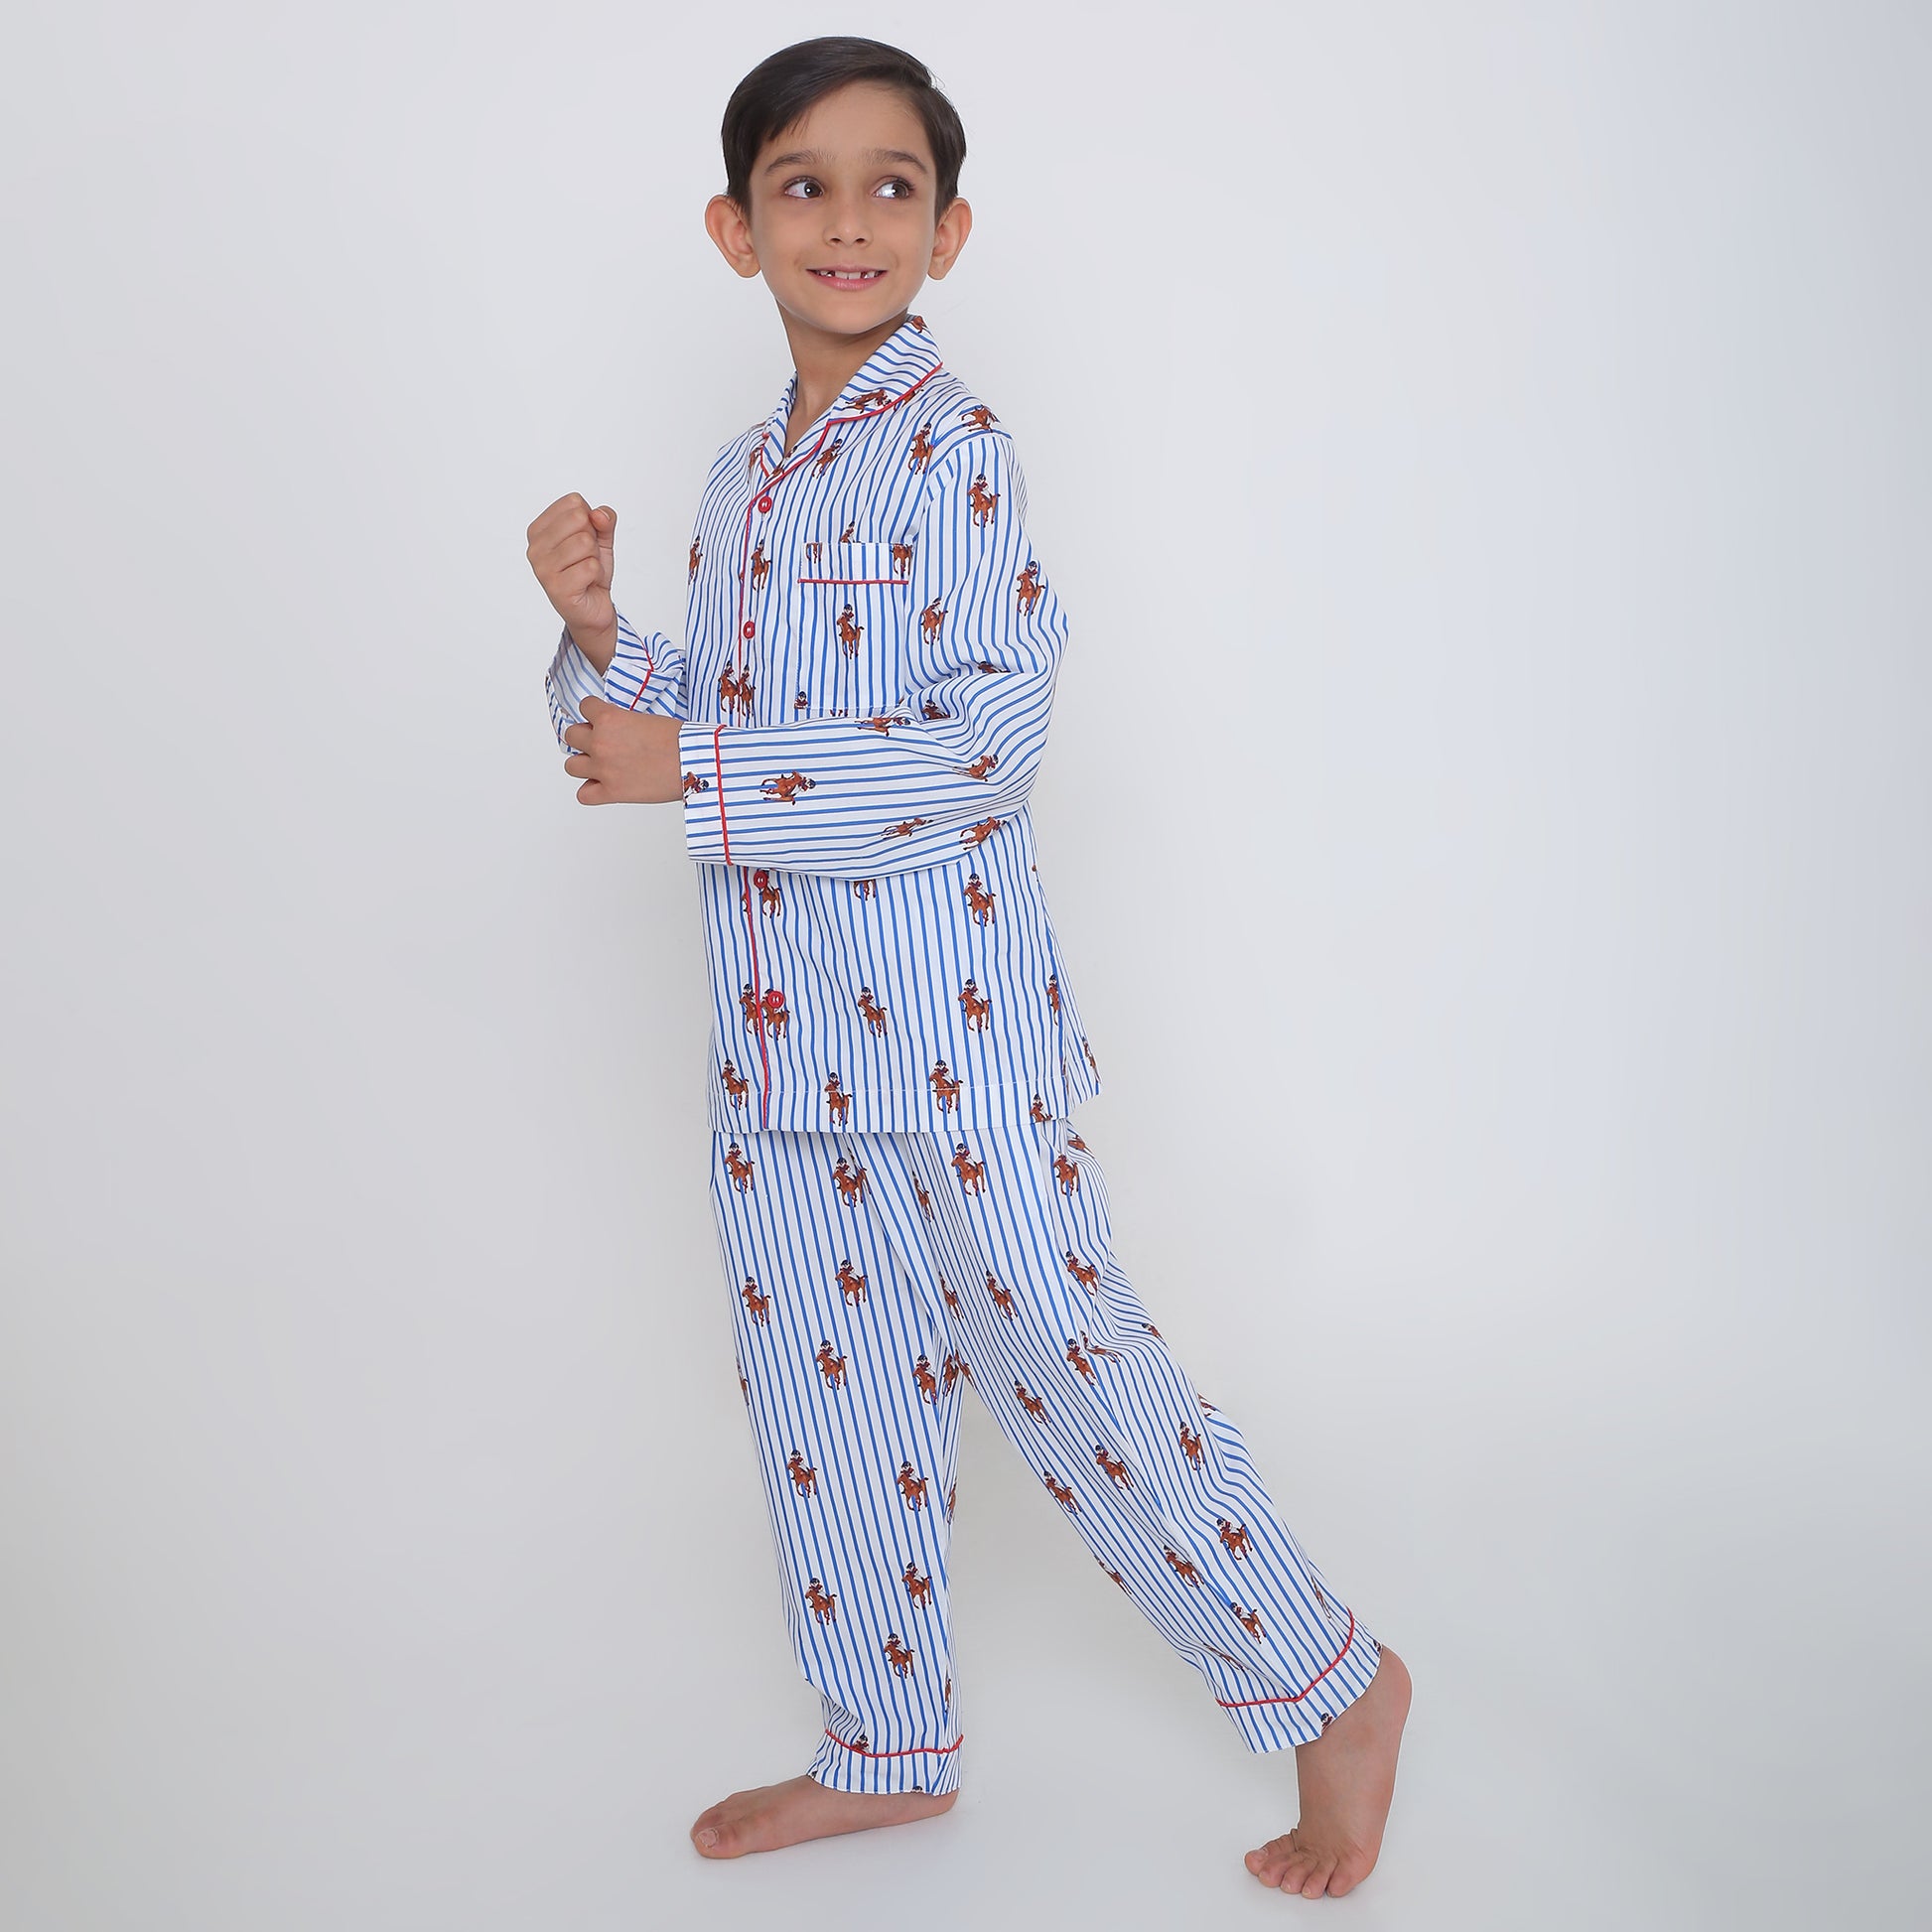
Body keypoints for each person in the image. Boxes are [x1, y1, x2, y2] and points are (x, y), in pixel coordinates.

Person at [525, 34, 1410, 1902]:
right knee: (823, 1390)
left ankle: (1331, 1680)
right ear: (734, 227)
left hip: (946, 1033)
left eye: (891, 185)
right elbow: (710, 726)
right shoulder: (741, 475)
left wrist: (691, 763)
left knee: (1065, 1360)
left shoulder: (957, 451)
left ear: (948, 229)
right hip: (776, 1039)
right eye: (803, 184)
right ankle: (885, 1742)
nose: (848, 219)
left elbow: (979, 742)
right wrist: (602, 638)